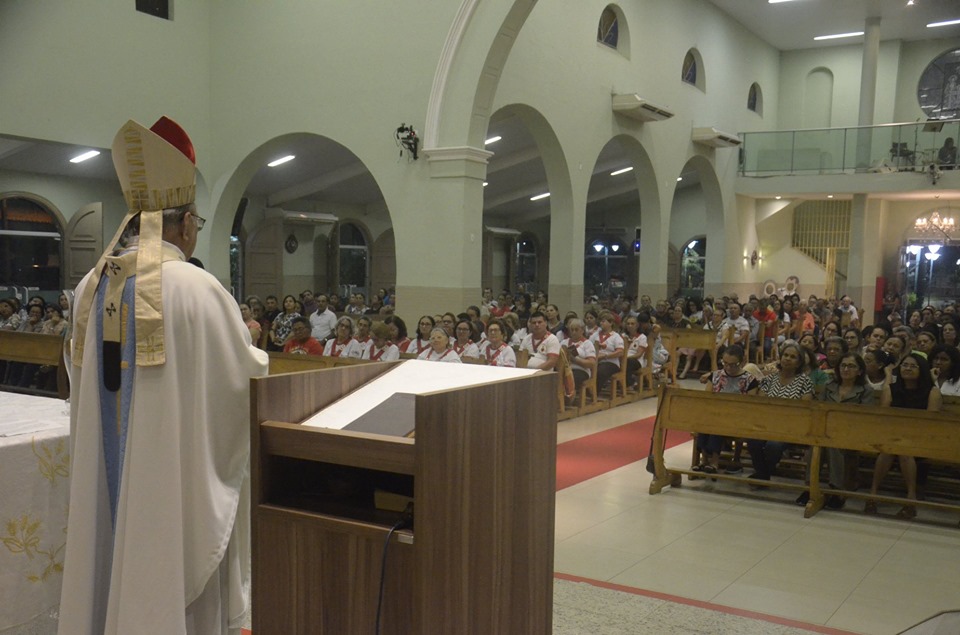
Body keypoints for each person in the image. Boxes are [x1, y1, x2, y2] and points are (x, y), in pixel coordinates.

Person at [60, 117, 269, 635]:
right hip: (169, 483)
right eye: (196, 219)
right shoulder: (197, 289)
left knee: (106, 558)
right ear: (184, 223)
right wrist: (254, 347)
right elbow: (239, 380)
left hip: (107, 471)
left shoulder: (91, 284)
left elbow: (75, 371)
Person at [867, 353, 942, 519]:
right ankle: (873, 494)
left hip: (921, 438)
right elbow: (884, 418)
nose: (907, 369)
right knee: (890, 448)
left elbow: (931, 424)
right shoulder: (891, 389)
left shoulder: (932, 392)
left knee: (904, 450)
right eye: (904, 365)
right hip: (893, 436)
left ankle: (910, 499)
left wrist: (908, 435)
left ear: (921, 370)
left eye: (912, 366)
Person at [747, 341, 814, 483]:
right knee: (753, 441)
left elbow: (804, 409)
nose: (788, 359)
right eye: (785, 355)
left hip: (790, 426)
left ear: (799, 362)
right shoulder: (769, 379)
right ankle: (763, 474)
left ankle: (763, 473)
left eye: (793, 357)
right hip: (767, 422)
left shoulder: (805, 381)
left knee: (773, 445)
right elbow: (762, 403)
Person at [695, 344, 758, 474]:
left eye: (733, 364)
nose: (728, 367)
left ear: (742, 362)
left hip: (738, 418)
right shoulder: (716, 375)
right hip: (715, 413)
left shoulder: (750, 380)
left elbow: (751, 406)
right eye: (725, 363)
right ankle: (704, 459)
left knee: (717, 424)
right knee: (706, 422)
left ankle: (714, 461)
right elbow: (707, 398)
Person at [562, 318, 597, 392]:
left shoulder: (587, 343)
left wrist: (575, 360)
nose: (574, 332)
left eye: (576, 330)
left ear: (582, 330)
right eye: (572, 330)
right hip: (565, 369)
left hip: (581, 370)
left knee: (571, 378)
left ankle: (568, 397)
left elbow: (591, 363)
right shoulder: (563, 342)